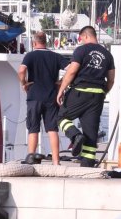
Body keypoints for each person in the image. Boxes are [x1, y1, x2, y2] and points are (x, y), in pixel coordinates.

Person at [56, 26, 116, 167]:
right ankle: (87, 168)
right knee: (91, 133)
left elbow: (71, 72)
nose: (80, 41)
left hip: (80, 92)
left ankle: (75, 136)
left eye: (81, 39)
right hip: (97, 97)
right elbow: (111, 79)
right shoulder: (107, 54)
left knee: (62, 117)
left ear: (86, 36)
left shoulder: (81, 50)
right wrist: (103, 92)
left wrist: (61, 90)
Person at [18, 31, 67, 165]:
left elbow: (21, 71)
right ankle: (56, 162)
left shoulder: (30, 56)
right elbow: (71, 69)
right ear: (46, 42)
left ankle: (31, 160)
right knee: (52, 129)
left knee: (33, 129)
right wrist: (61, 82)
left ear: (34, 43)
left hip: (34, 96)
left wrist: (24, 83)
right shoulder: (56, 56)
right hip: (51, 96)